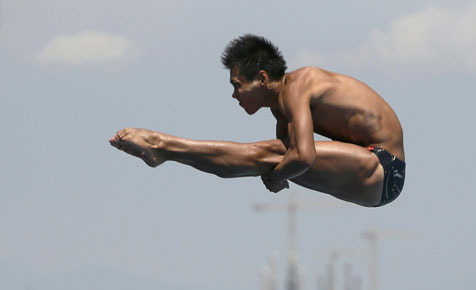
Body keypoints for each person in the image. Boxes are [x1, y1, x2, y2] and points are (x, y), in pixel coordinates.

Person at [109, 34, 405, 207]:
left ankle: (163, 145)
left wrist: (276, 177)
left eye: (237, 85)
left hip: (383, 165)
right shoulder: (281, 109)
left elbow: (302, 156)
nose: (234, 95)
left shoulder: (299, 85)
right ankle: (166, 152)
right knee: (267, 156)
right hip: (376, 182)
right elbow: (283, 159)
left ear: (262, 78)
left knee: (269, 156)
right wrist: (276, 174)